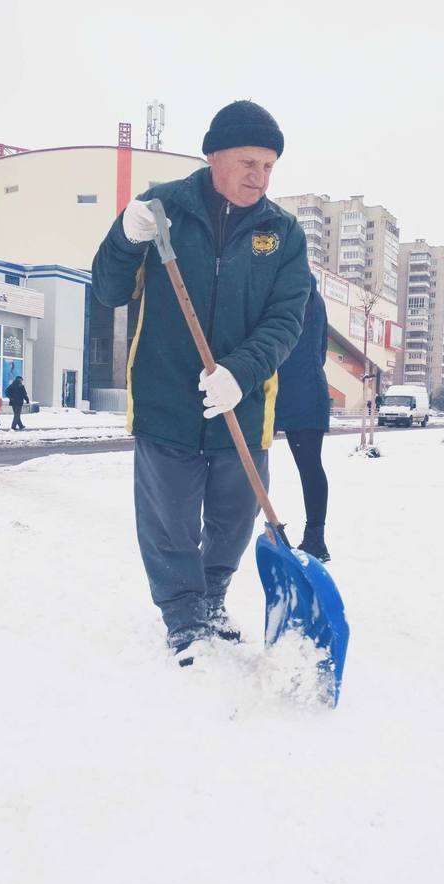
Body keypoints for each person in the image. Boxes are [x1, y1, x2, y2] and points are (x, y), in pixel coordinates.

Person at [92, 101, 311, 666]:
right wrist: (124, 235)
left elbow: (287, 318)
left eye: (268, 167)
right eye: (247, 162)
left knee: (234, 519)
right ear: (212, 155)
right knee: (169, 521)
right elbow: (110, 290)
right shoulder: (163, 209)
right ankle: (184, 617)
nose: (258, 178)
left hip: (242, 405)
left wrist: (241, 372)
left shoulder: (282, 233)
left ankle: (212, 600)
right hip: (166, 401)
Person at [275, 274, 331, 562]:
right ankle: (315, 537)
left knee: (246, 457)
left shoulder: (286, 293)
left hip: (288, 390)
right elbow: (321, 349)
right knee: (310, 467)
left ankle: (312, 538)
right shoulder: (316, 298)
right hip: (310, 389)